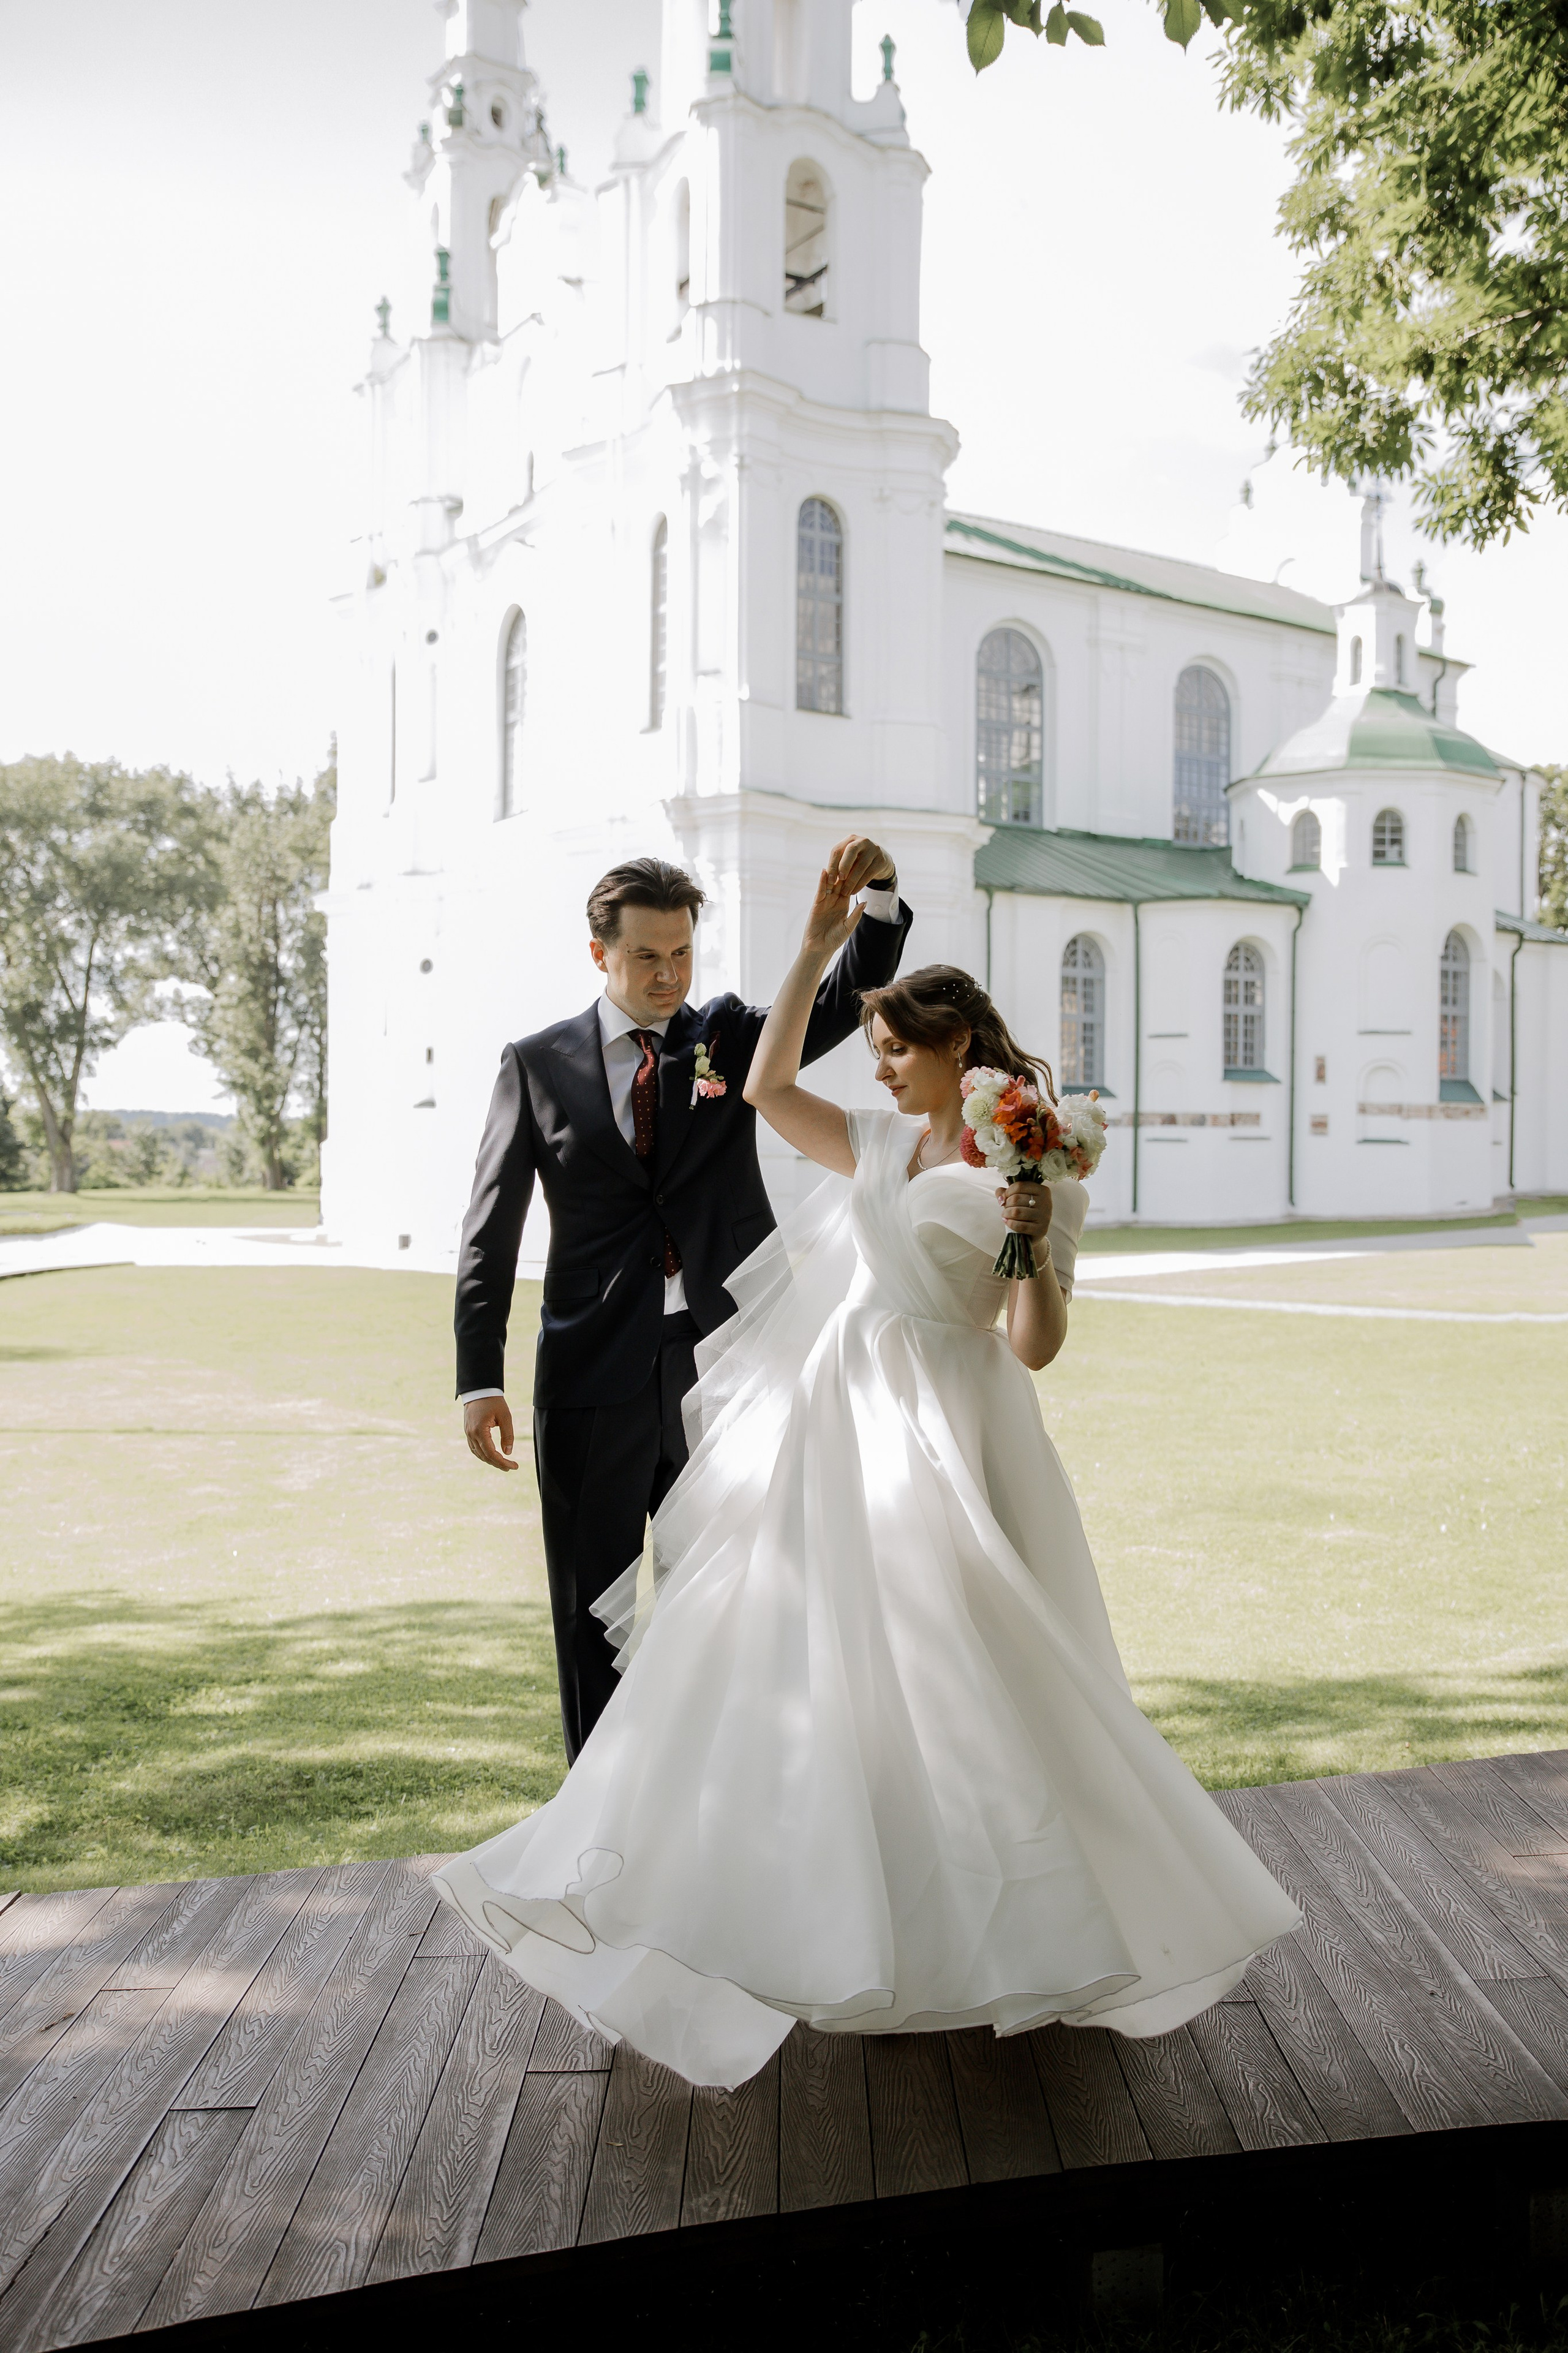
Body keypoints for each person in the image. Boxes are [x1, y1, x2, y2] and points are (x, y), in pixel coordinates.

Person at [434, 863, 1300, 2090]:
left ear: (957, 1053)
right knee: (800, 1658)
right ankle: (736, 1882)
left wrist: (1025, 1239)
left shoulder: (1035, 1162)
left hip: (948, 1422)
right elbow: (760, 1089)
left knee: (965, 1660)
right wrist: (808, 947)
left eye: (897, 1050)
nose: (880, 1065)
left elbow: (1034, 1344)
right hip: (825, 1415)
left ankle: (1005, 1917)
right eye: (880, 1047)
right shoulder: (876, 1142)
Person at [455, 839, 911, 1761]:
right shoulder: (536, 1064)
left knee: (736, 1594)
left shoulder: (729, 1037)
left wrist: (879, 898)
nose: (670, 975)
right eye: (647, 957)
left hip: (733, 1363)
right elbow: (491, 1228)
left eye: (682, 954)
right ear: (600, 954)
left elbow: (837, 1003)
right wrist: (479, 1379)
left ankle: (723, 1797)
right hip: (591, 1376)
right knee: (591, 1608)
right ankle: (596, 1808)